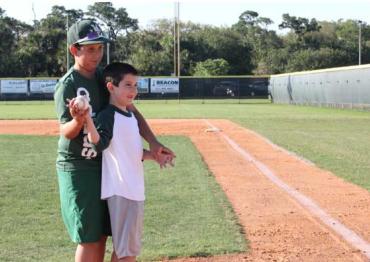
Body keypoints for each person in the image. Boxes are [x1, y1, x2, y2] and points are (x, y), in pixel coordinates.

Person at [54, 19, 174, 262]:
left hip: (105, 166)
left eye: (100, 48)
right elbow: (65, 131)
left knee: (102, 234)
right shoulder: (68, 85)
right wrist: (79, 119)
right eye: (90, 49)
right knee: (89, 238)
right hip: (79, 166)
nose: (97, 54)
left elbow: (130, 109)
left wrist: (152, 141)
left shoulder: (103, 76)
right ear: (74, 50)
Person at [85, 62, 172, 262]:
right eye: (127, 85)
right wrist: (89, 121)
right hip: (123, 190)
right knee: (128, 253)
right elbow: (99, 145)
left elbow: (130, 152)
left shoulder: (129, 115)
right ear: (111, 87)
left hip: (132, 190)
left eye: (135, 85)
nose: (133, 90)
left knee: (125, 251)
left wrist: (154, 155)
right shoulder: (108, 115)